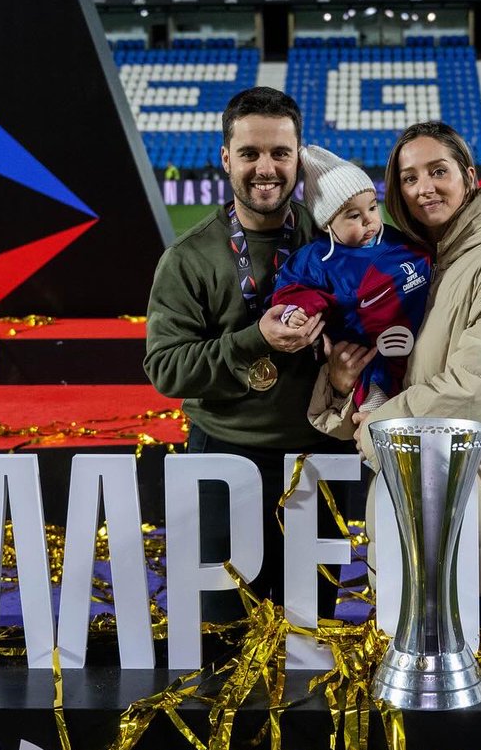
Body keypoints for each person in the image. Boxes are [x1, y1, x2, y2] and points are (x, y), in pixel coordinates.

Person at [309, 120, 481, 601]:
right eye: (409, 178)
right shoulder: (437, 259)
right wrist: (343, 383)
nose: (423, 188)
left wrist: (379, 427)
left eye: (438, 171)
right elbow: (413, 373)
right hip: (441, 515)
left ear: (469, 176)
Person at [144, 86, 352, 622]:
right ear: (226, 158)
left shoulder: (332, 240)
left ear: (298, 157)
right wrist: (254, 339)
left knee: (312, 636)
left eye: (280, 153)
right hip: (224, 458)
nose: (266, 168)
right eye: (250, 153)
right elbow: (166, 369)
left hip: (318, 459)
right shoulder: (188, 259)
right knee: (223, 639)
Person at [271, 145, 431, 412]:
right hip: (370, 362)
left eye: (372, 207)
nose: (369, 220)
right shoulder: (319, 259)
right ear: (327, 223)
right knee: (376, 416)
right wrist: (296, 312)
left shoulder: (398, 241)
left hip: (422, 354)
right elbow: (293, 289)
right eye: (354, 216)